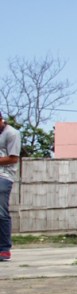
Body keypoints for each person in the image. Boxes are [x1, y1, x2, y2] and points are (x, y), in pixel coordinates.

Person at [0, 111, 21, 262]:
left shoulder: (12, 133)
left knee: (1, 212)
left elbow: (13, 158)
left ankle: (5, 249)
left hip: (4, 177)